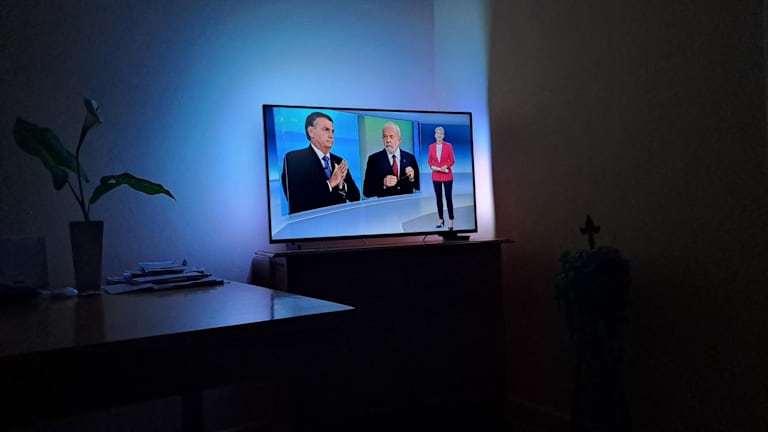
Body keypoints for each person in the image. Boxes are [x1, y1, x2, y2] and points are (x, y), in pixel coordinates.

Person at [281, 111, 361, 214]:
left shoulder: (339, 161)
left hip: (340, 221)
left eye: (332, 131)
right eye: (326, 130)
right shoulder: (294, 159)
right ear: (311, 132)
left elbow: (356, 197)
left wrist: (341, 186)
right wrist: (331, 183)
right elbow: (297, 201)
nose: (331, 135)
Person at [363, 122, 420, 198]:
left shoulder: (410, 158)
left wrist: (412, 178)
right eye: (385, 137)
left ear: (399, 140)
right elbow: (367, 192)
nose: (388, 140)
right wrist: (383, 184)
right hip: (386, 205)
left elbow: (419, 187)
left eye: (391, 136)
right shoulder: (374, 160)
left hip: (407, 204)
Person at [428, 126, 455, 230]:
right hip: (436, 176)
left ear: (443, 135)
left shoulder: (448, 146)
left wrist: (446, 166)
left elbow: (452, 161)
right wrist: (433, 167)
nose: (439, 135)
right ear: (435, 135)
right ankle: (441, 219)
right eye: (437, 133)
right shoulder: (431, 147)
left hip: (447, 175)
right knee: (438, 199)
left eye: (441, 133)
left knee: (448, 198)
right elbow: (429, 161)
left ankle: (451, 220)